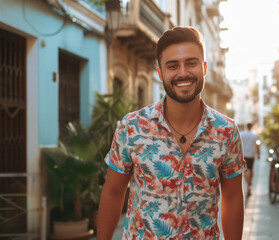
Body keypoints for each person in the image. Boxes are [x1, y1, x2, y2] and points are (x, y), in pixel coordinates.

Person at [97, 26, 247, 240]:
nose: (183, 72)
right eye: (173, 66)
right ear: (160, 73)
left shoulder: (227, 132)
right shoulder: (132, 127)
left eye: (191, 63)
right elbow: (113, 191)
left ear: (204, 68)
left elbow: (232, 198)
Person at [240, 123, 259, 196]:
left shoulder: (242, 134)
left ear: (246, 126)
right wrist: (258, 154)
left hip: (244, 154)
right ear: (251, 127)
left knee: (245, 171)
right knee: (251, 170)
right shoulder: (254, 135)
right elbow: (257, 146)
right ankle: (249, 185)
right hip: (251, 155)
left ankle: (248, 184)